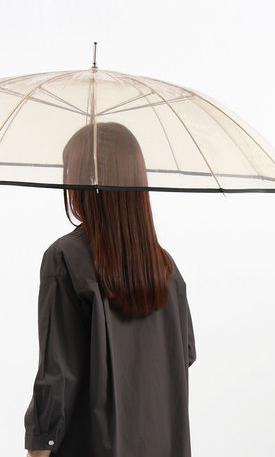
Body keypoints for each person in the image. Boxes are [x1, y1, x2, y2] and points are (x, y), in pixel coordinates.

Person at [24, 122, 196, 457]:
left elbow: (57, 375)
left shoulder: (65, 258)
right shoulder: (166, 268)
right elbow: (184, 354)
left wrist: (39, 447)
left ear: (82, 180)